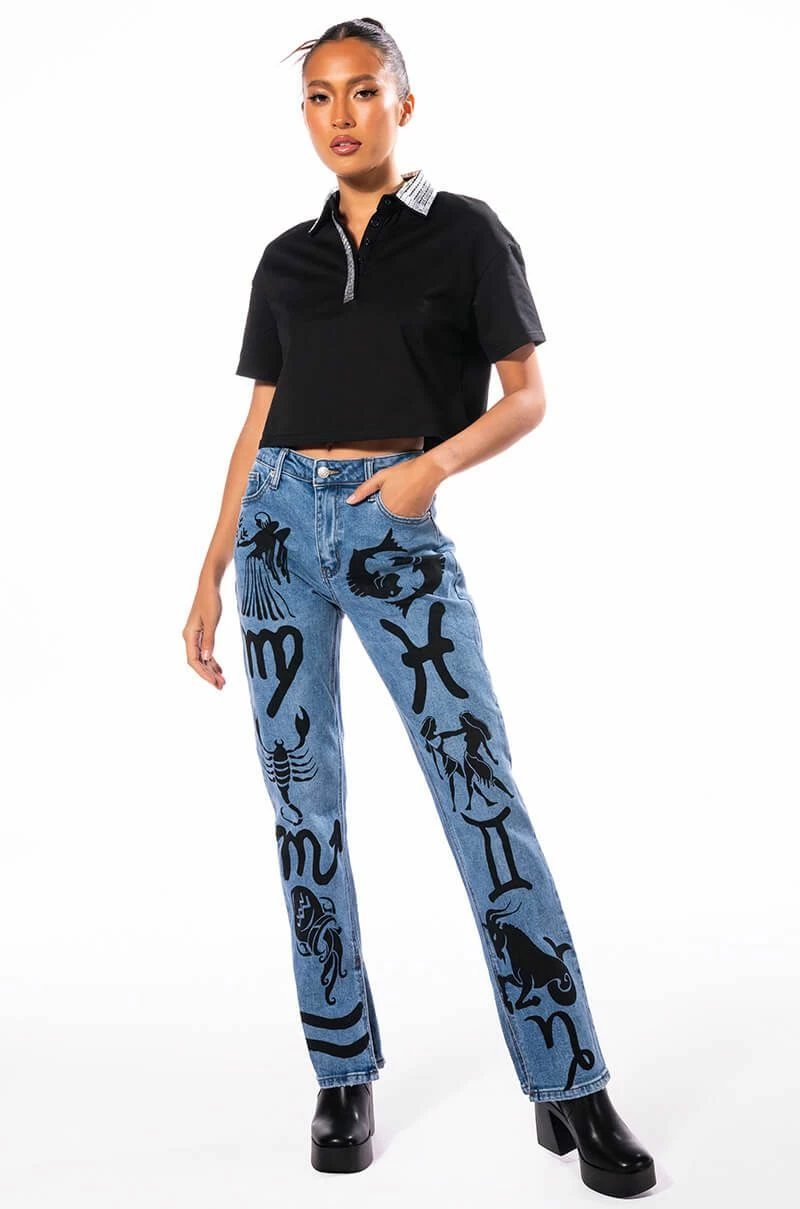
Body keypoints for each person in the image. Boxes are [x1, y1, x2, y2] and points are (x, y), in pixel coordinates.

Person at [182, 16, 656, 1197]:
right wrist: (209, 569)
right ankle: (340, 1069)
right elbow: (257, 420)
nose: (339, 114)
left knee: (478, 794)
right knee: (304, 810)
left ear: (403, 103)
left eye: (362, 91)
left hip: (393, 529)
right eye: (318, 96)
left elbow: (526, 394)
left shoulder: (464, 234)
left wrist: (426, 472)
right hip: (276, 533)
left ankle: (570, 1081)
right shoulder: (284, 259)